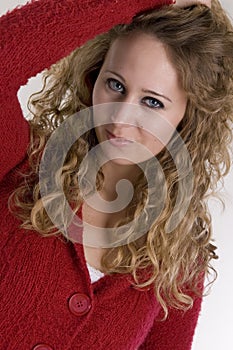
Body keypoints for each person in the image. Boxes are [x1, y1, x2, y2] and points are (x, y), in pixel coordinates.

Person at [0, 0, 232, 349]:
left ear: (188, 116)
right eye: (115, 85)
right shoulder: (22, 163)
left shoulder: (178, 258)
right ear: (93, 76)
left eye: (152, 102)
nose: (119, 117)